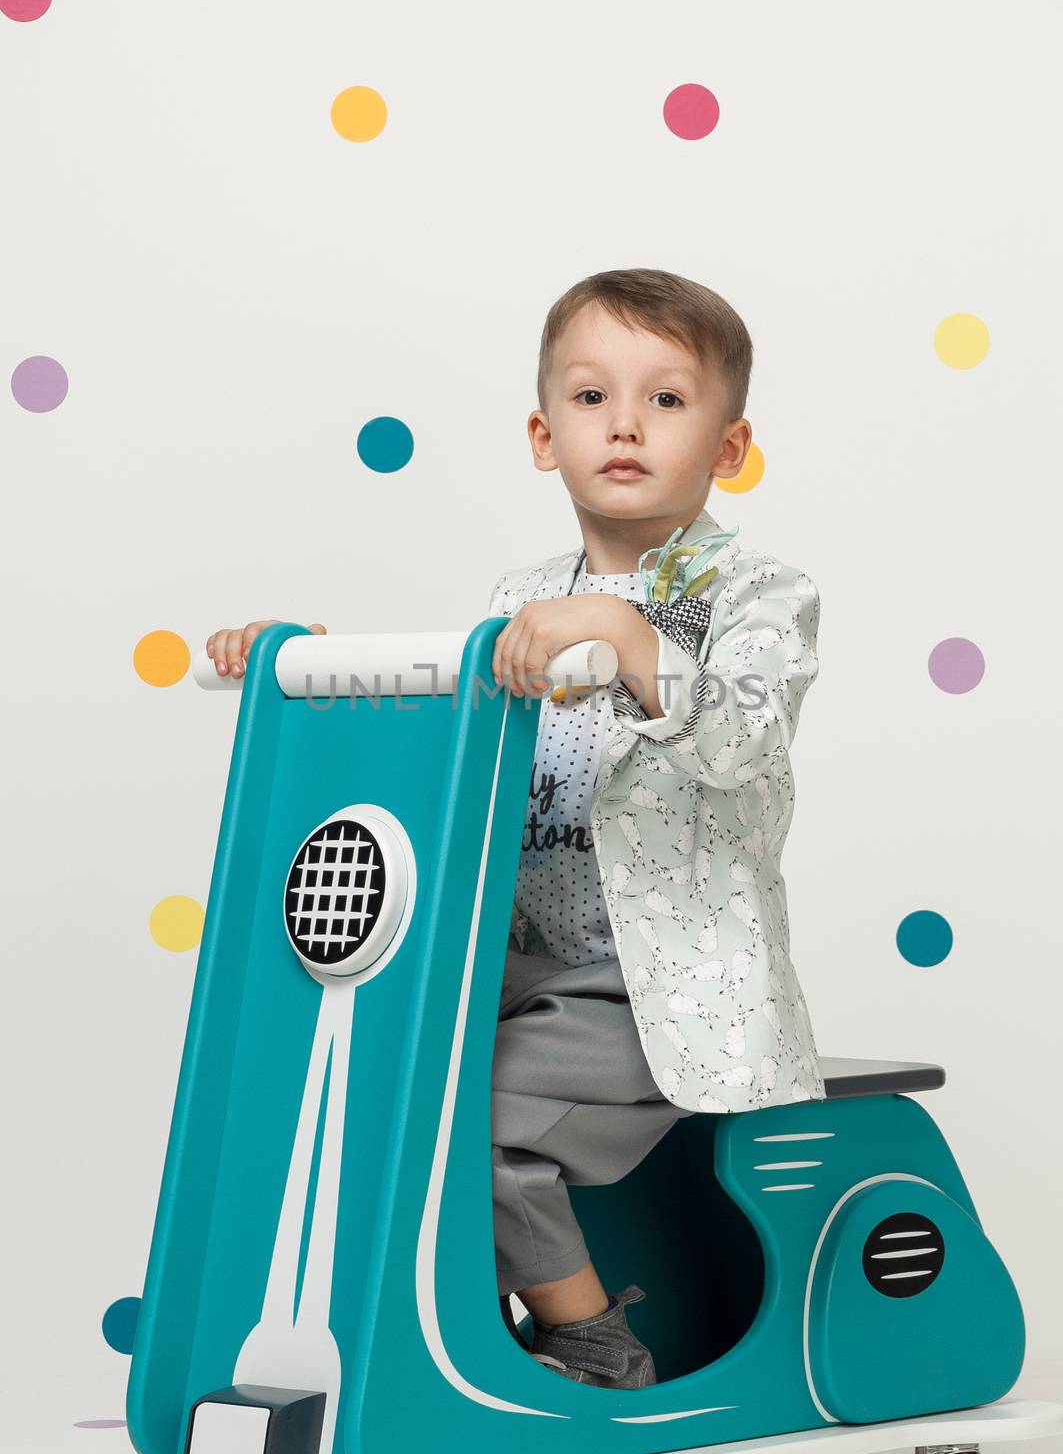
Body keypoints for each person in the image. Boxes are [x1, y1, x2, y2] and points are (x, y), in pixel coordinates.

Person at [205, 266, 825, 1393]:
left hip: (653, 985)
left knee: (458, 1126)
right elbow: (451, 746)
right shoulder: (524, 596)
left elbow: (745, 749)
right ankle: (397, 1338)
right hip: (511, 964)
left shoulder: (751, 591)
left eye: (666, 401)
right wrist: (305, 668)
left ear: (730, 446)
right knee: (360, 1089)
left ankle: (593, 1339)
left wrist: (634, 646)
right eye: (591, 399)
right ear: (545, 436)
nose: (624, 423)